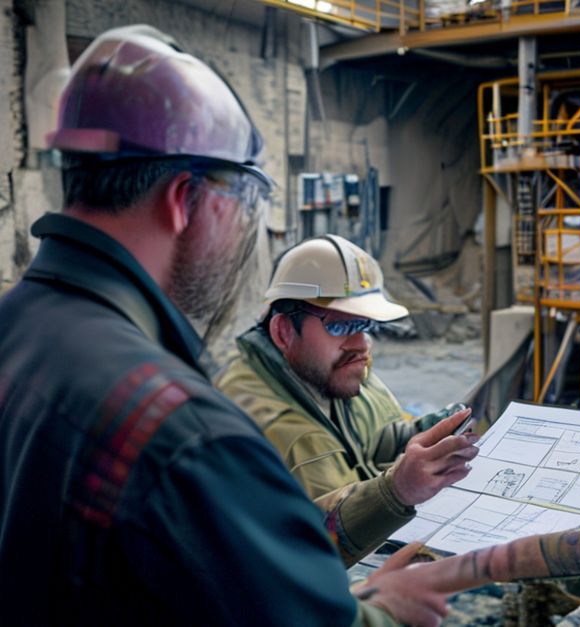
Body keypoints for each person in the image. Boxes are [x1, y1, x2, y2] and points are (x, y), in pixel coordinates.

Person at [0, 24, 468, 626]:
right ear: (184, 197)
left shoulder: (18, 326)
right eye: (242, 206)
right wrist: (384, 609)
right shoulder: (186, 434)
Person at [217, 235, 475, 507]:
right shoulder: (291, 435)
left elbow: (370, 440)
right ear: (283, 332)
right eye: (340, 327)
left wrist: (433, 431)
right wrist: (397, 491)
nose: (362, 345)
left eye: (365, 326)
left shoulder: (323, 373)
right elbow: (328, 537)